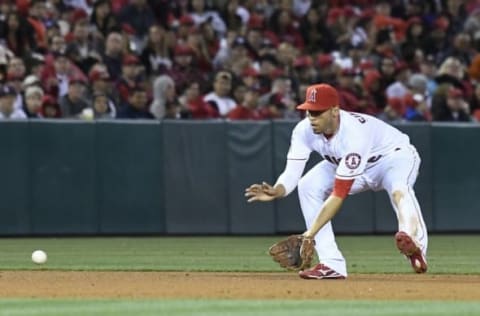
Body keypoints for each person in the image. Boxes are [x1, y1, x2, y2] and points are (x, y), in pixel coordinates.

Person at [245, 83, 428, 280]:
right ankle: (332, 264)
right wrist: (278, 190)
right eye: (308, 111)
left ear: (334, 111)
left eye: (317, 112)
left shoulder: (354, 134)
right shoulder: (303, 130)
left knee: (399, 189)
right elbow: (292, 173)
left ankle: (412, 241)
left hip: (392, 158)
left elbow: (338, 195)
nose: (311, 118)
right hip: (345, 163)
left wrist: (309, 235)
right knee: (308, 185)